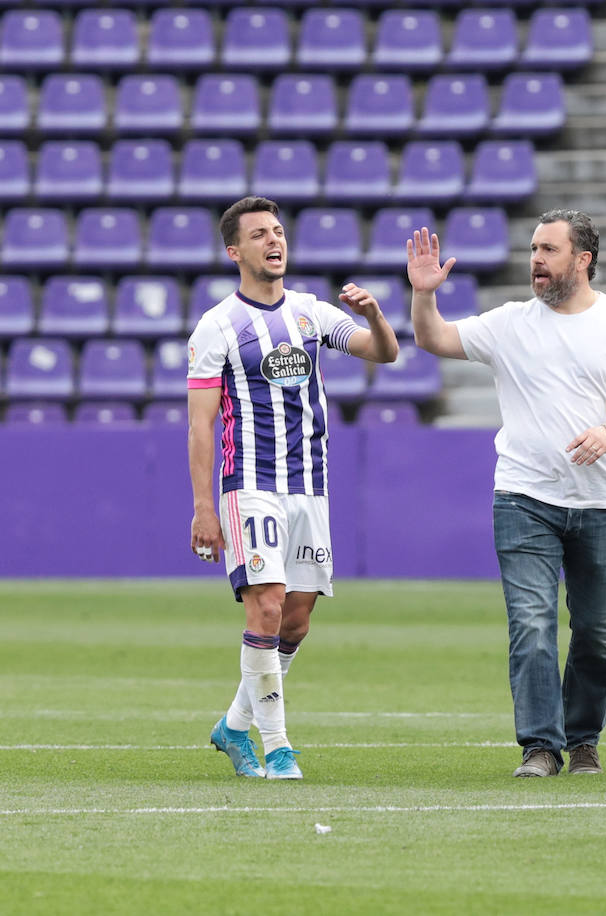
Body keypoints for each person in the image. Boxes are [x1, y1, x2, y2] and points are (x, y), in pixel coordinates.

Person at [408, 211, 606, 778]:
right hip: (524, 499)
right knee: (533, 624)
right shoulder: (510, 323)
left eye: (549, 249)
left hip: (602, 503)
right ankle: (540, 747)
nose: (536, 260)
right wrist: (424, 296)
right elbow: (433, 338)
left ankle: (585, 739)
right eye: (533, 249)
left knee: (597, 633)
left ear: (583, 259)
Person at [189, 196, 399, 780]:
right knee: (268, 602)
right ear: (236, 252)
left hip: (309, 485)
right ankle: (277, 747)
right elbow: (200, 423)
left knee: (296, 618)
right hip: (248, 483)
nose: (273, 241)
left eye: (278, 232)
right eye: (259, 235)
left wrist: (375, 314)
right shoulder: (217, 326)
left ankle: (232, 727)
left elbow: (384, 352)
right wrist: (204, 507)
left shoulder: (310, 312)